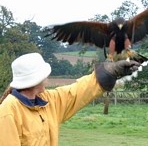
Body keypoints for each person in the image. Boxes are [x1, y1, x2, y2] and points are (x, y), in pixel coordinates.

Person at [0, 52, 140, 146]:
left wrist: (110, 72)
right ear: (37, 78)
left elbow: (77, 92)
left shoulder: (47, 100)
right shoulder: (9, 111)